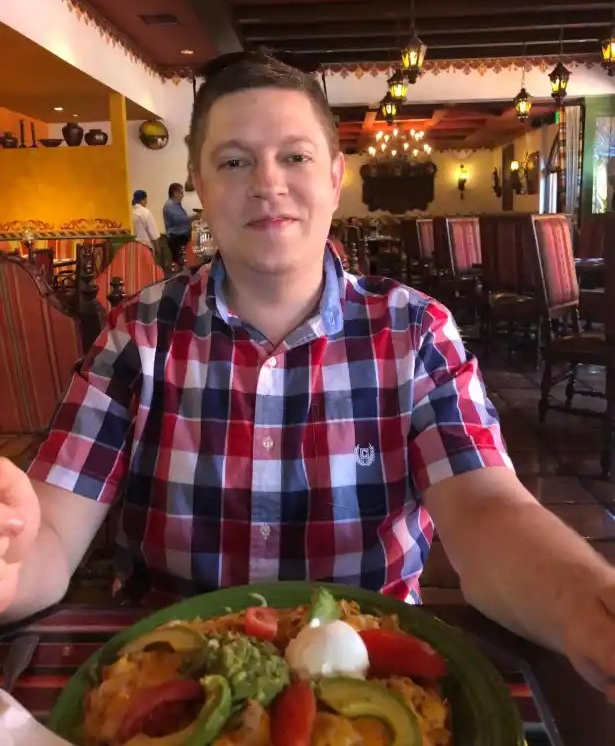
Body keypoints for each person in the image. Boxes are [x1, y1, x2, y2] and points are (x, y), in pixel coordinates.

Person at [0, 53, 614, 700]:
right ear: (200, 187)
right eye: (234, 162)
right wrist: (11, 562)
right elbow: (53, 537)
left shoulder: (414, 331)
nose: (267, 182)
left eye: (293, 156)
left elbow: (487, 513)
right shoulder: (139, 333)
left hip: (367, 683)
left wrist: (583, 602)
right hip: (169, 685)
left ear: (332, 174)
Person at [162, 182, 200, 264]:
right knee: (181, 263)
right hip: (177, 239)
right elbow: (180, 220)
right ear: (175, 193)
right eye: (181, 193)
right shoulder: (170, 205)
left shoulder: (176, 205)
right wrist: (195, 216)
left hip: (181, 238)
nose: (182, 195)